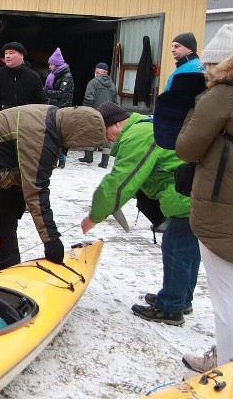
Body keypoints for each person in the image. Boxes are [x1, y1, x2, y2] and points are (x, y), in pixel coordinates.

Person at [175, 27, 233, 389]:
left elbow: (186, 148)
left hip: (223, 209)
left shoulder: (223, 95)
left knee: (227, 301)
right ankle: (228, 359)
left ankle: (227, 378)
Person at [81, 102, 200, 326]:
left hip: (188, 197)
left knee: (176, 248)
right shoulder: (146, 127)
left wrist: (95, 216)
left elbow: (120, 182)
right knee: (187, 249)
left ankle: (171, 307)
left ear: (117, 123)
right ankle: (181, 298)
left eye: (105, 132)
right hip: (192, 193)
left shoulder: (139, 135)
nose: (106, 139)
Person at [0, 103, 105, 278]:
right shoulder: (40, 133)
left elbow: (29, 168)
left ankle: (10, 281)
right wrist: (51, 240)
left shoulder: (54, 125)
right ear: (78, 134)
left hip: (4, 170)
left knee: (7, 228)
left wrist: (18, 197)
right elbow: (37, 189)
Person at [0, 42, 46, 115]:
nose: (7, 56)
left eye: (11, 53)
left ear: (21, 55)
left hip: (27, 120)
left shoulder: (33, 76)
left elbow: (42, 101)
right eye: (6, 53)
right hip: (3, 119)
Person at [79, 62, 119, 168]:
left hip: (95, 112)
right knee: (107, 136)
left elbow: (89, 98)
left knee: (90, 132)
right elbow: (116, 101)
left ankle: (88, 156)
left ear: (97, 71)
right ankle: (104, 161)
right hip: (109, 113)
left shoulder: (93, 83)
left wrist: (85, 110)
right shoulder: (112, 85)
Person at [44, 47, 74, 168]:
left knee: (62, 135)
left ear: (56, 64)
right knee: (52, 134)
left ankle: (62, 159)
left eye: (51, 64)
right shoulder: (54, 75)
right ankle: (53, 157)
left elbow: (61, 93)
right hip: (53, 108)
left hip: (62, 109)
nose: (49, 67)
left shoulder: (66, 76)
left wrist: (45, 92)